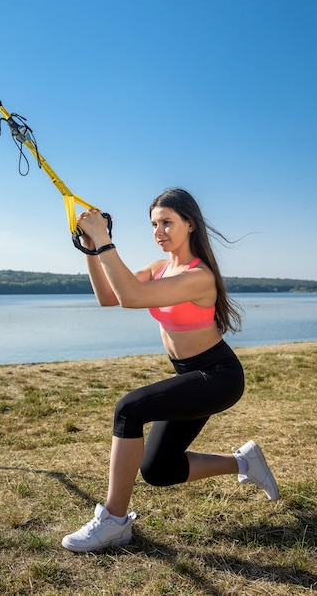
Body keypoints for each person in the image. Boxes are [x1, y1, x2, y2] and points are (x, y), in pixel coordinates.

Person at [61, 188, 279, 553]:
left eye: (167, 222)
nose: (158, 231)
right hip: (191, 377)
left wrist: (103, 239)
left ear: (190, 224)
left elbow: (132, 297)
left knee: (129, 409)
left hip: (218, 377)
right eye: (153, 224)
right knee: (159, 470)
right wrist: (91, 247)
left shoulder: (199, 277)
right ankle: (244, 461)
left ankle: (114, 521)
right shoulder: (160, 268)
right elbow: (110, 297)